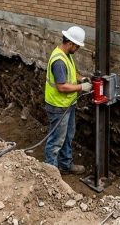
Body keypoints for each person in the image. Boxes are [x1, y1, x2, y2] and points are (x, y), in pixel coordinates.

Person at [44, 26, 92, 175]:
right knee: (56, 141)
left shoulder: (66, 55)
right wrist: (81, 87)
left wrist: (81, 78)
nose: (77, 48)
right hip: (58, 106)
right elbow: (62, 87)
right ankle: (50, 173)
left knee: (67, 136)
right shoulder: (59, 61)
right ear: (70, 43)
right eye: (77, 46)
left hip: (68, 105)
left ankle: (65, 164)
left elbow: (71, 72)